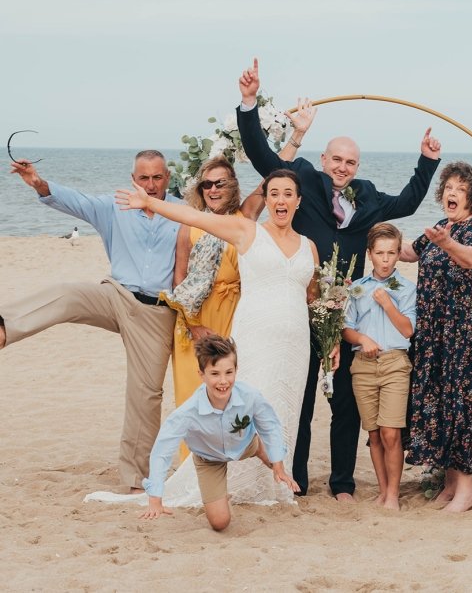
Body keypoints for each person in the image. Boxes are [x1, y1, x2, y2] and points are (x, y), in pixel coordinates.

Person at [236, 58, 441, 500]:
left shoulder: (366, 195)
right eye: (337, 159)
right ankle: (297, 479)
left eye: (350, 162)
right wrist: (249, 103)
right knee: (301, 397)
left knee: (345, 403)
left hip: (349, 314)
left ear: (356, 165)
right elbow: (262, 156)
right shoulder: (304, 180)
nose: (343, 167)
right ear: (323, 159)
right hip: (302, 308)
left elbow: (406, 203)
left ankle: (342, 483)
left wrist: (427, 161)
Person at [115, 168, 327, 505]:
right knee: (248, 408)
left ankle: (274, 486)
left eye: (288, 194)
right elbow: (195, 217)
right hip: (256, 336)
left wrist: (330, 341)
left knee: (285, 410)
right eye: (274, 193)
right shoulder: (247, 231)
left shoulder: (309, 247)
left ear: (298, 201)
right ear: (266, 199)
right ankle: (234, 486)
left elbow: (313, 298)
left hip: (296, 345)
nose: (281, 200)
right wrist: (151, 203)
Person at [0, 151, 181, 490]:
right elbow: (76, 201)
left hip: (156, 313)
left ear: (168, 178)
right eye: (144, 177)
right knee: (68, 294)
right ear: (133, 179)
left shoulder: (181, 212)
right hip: (116, 295)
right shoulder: (114, 206)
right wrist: (38, 183)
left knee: (145, 396)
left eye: (157, 177)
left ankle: (135, 480)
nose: (150, 185)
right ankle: (4, 328)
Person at [399, 161, 472, 513]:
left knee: (459, 403)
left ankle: (467, 489)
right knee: (440, 401)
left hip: (465, 328)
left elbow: (470, 259)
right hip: (434, 328)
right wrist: (372, 231)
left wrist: (448, 242)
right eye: (449, 188)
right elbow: (410, 252)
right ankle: (451, 485)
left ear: (471, 197)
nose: (452, 193)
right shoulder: (441, 226)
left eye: (460, 189)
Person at [140, 335, 297, 530]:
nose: (223, 381)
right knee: (220, 523)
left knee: (264, 450)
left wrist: (278, 466)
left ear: (236, 370)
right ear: (201, 374)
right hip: (209, 458)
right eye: (214, 374)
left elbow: (270, 426)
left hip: (245, 443)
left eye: (228, 372)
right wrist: (155, 499)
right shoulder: (187, 412)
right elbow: (162, 451)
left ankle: (258, 447)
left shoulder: (250, 396)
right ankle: (221, 499)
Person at [164, 157, 265, 461]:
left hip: (233, 315)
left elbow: (272, 177)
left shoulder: (243, 218)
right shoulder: (190, 224)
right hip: (195, 320)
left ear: (232, 185)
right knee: (191, 396)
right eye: (206, 184)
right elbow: (179, 280)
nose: (212, 189)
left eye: (220, 183)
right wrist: (193, 326)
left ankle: (229, 462)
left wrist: (296, 137)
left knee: (230, 394)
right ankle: (191, 467)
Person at [342, 223, 417, 511]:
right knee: (373, 434)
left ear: (398, 254)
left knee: (390, 432)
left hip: (395, 364)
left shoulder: (407, 289)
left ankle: (393, 495)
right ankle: (383, 491)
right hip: (363, 366)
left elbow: (408, 330)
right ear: (370, 254)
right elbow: (346, 328)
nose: (385, 260)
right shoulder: (357, 288)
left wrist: (387, 303)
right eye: (380, 253)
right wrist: (362, 338)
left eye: (391, 253)